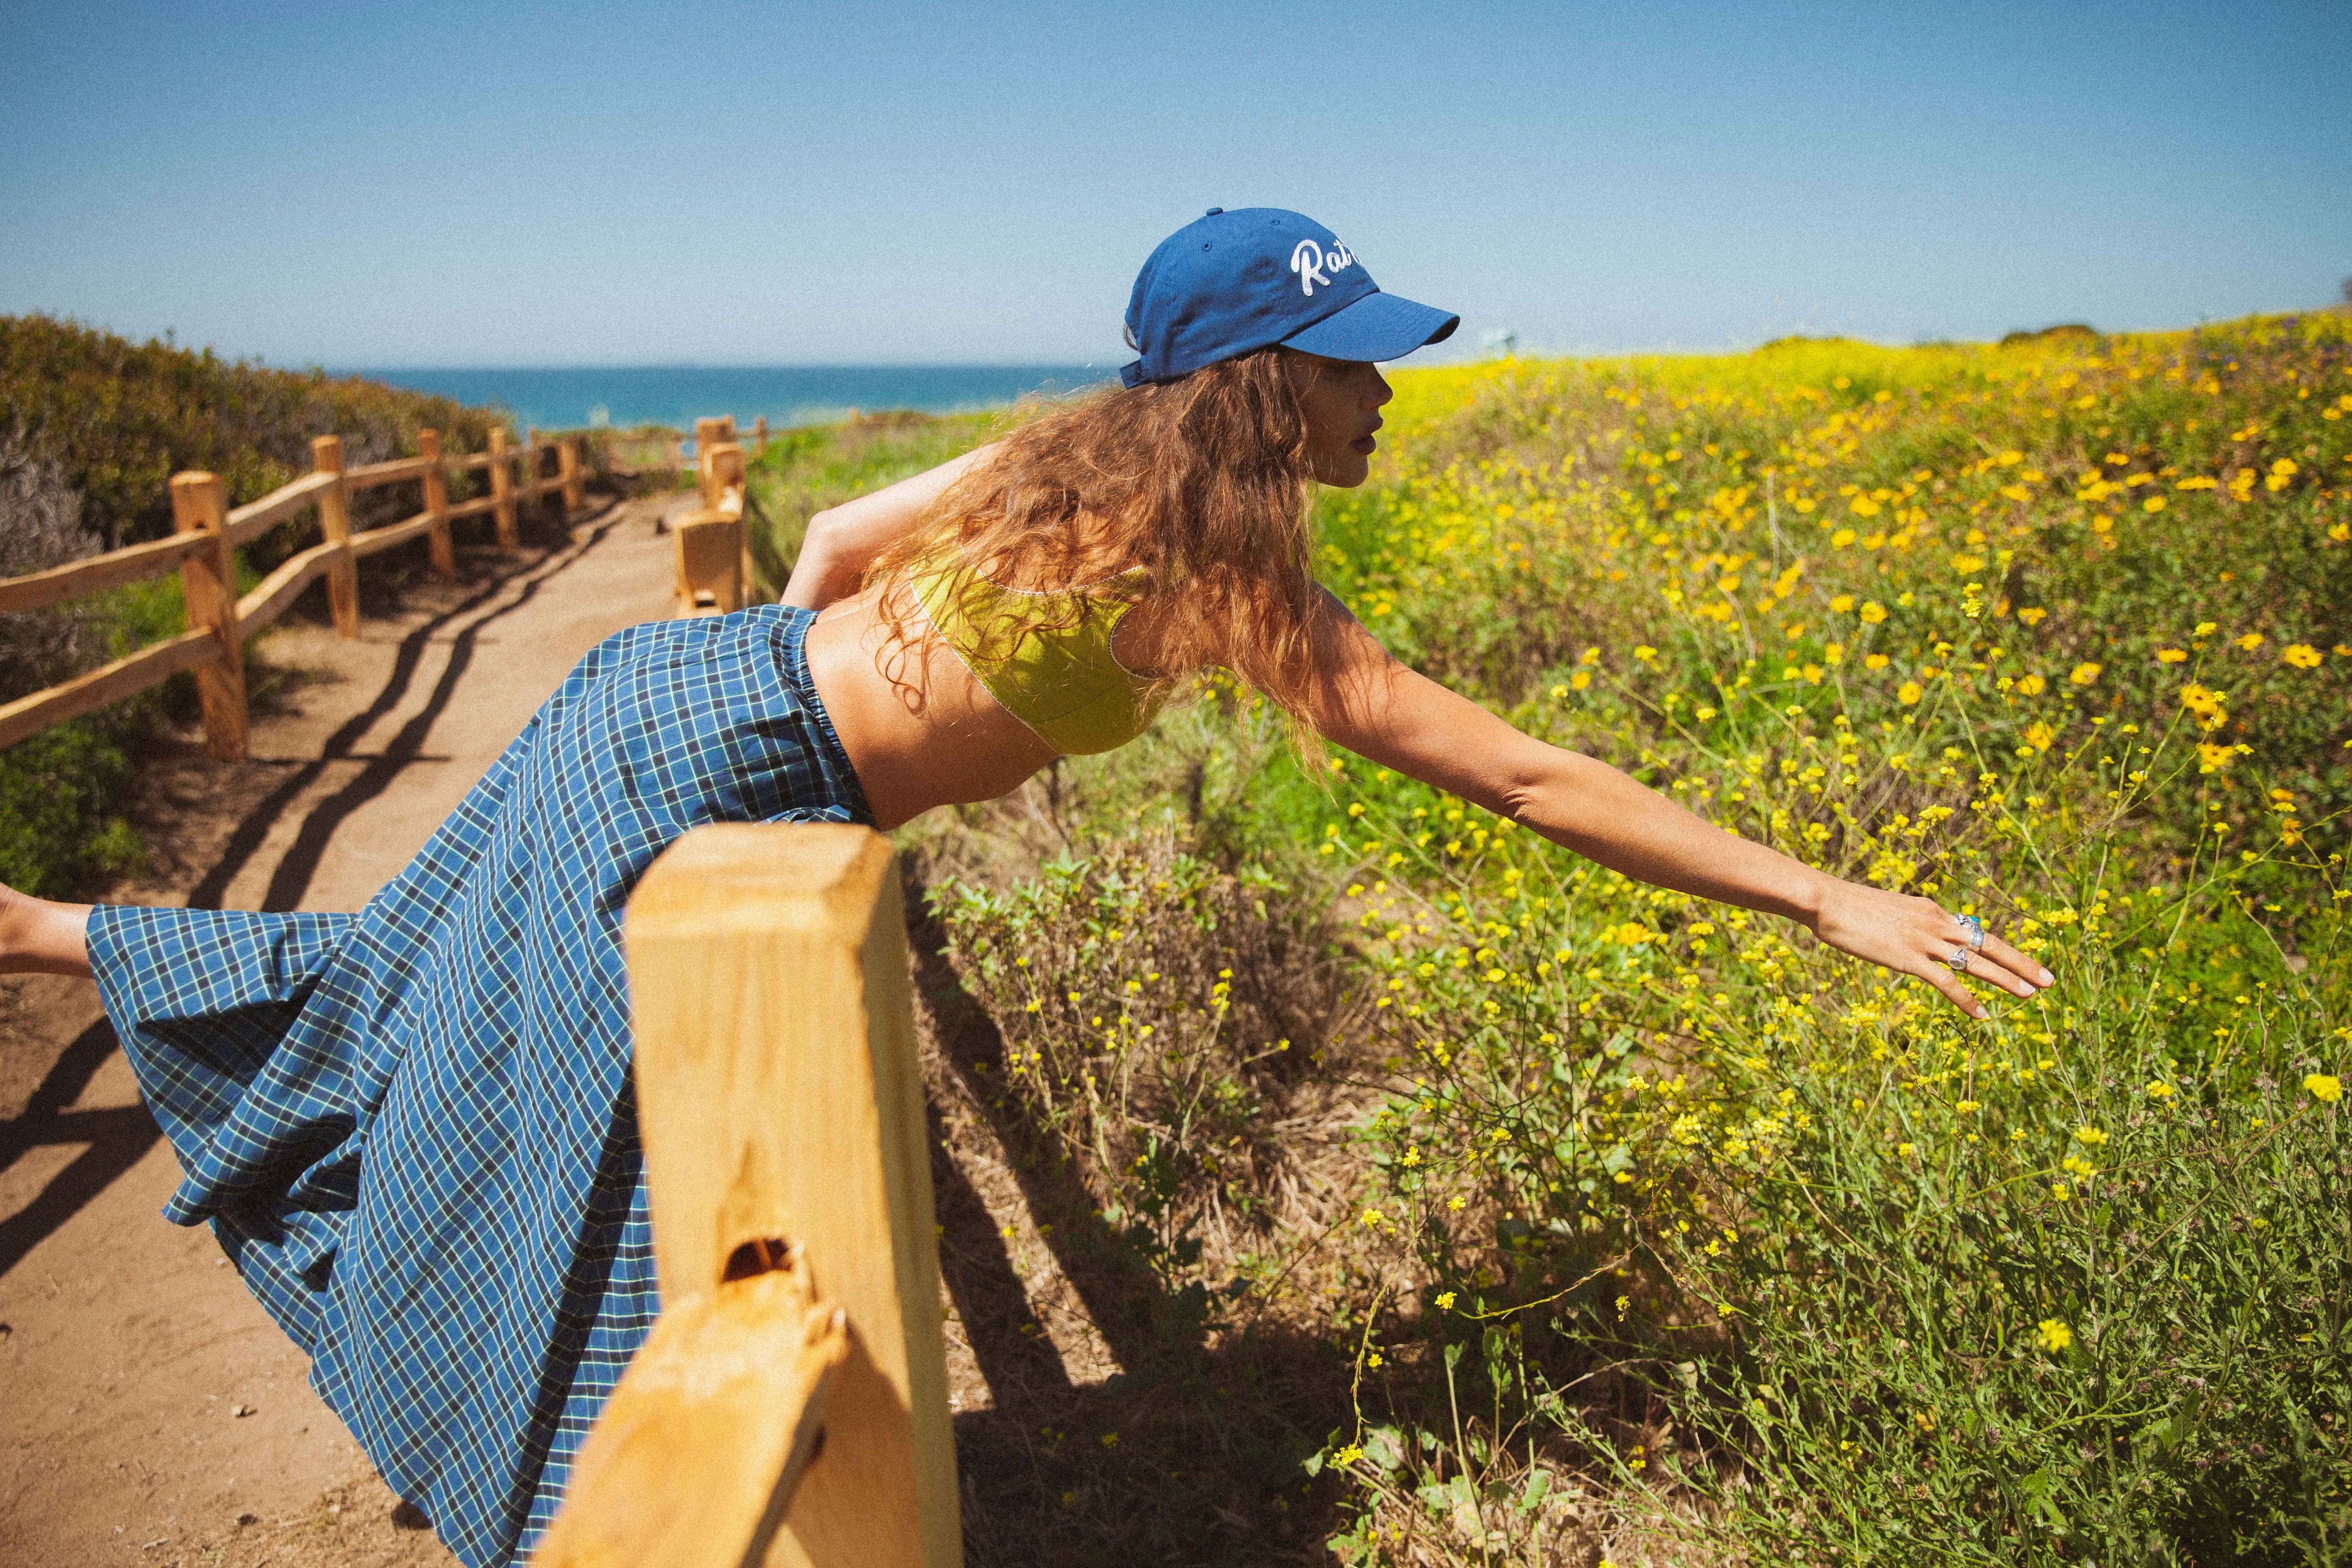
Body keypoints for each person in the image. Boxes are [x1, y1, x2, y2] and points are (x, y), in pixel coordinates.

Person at [0, 208, 2054, 1566]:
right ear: (1263, 382)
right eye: (1348, 359)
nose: (1383, 388)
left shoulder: (1079, 466)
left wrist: (828, 748)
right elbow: (1518, 771)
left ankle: (42, 932)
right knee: (536, 1128)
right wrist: (1817, 898)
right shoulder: (1225, 577)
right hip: (712, 762)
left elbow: (813, 562)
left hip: (673, 703)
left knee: (419, 983)